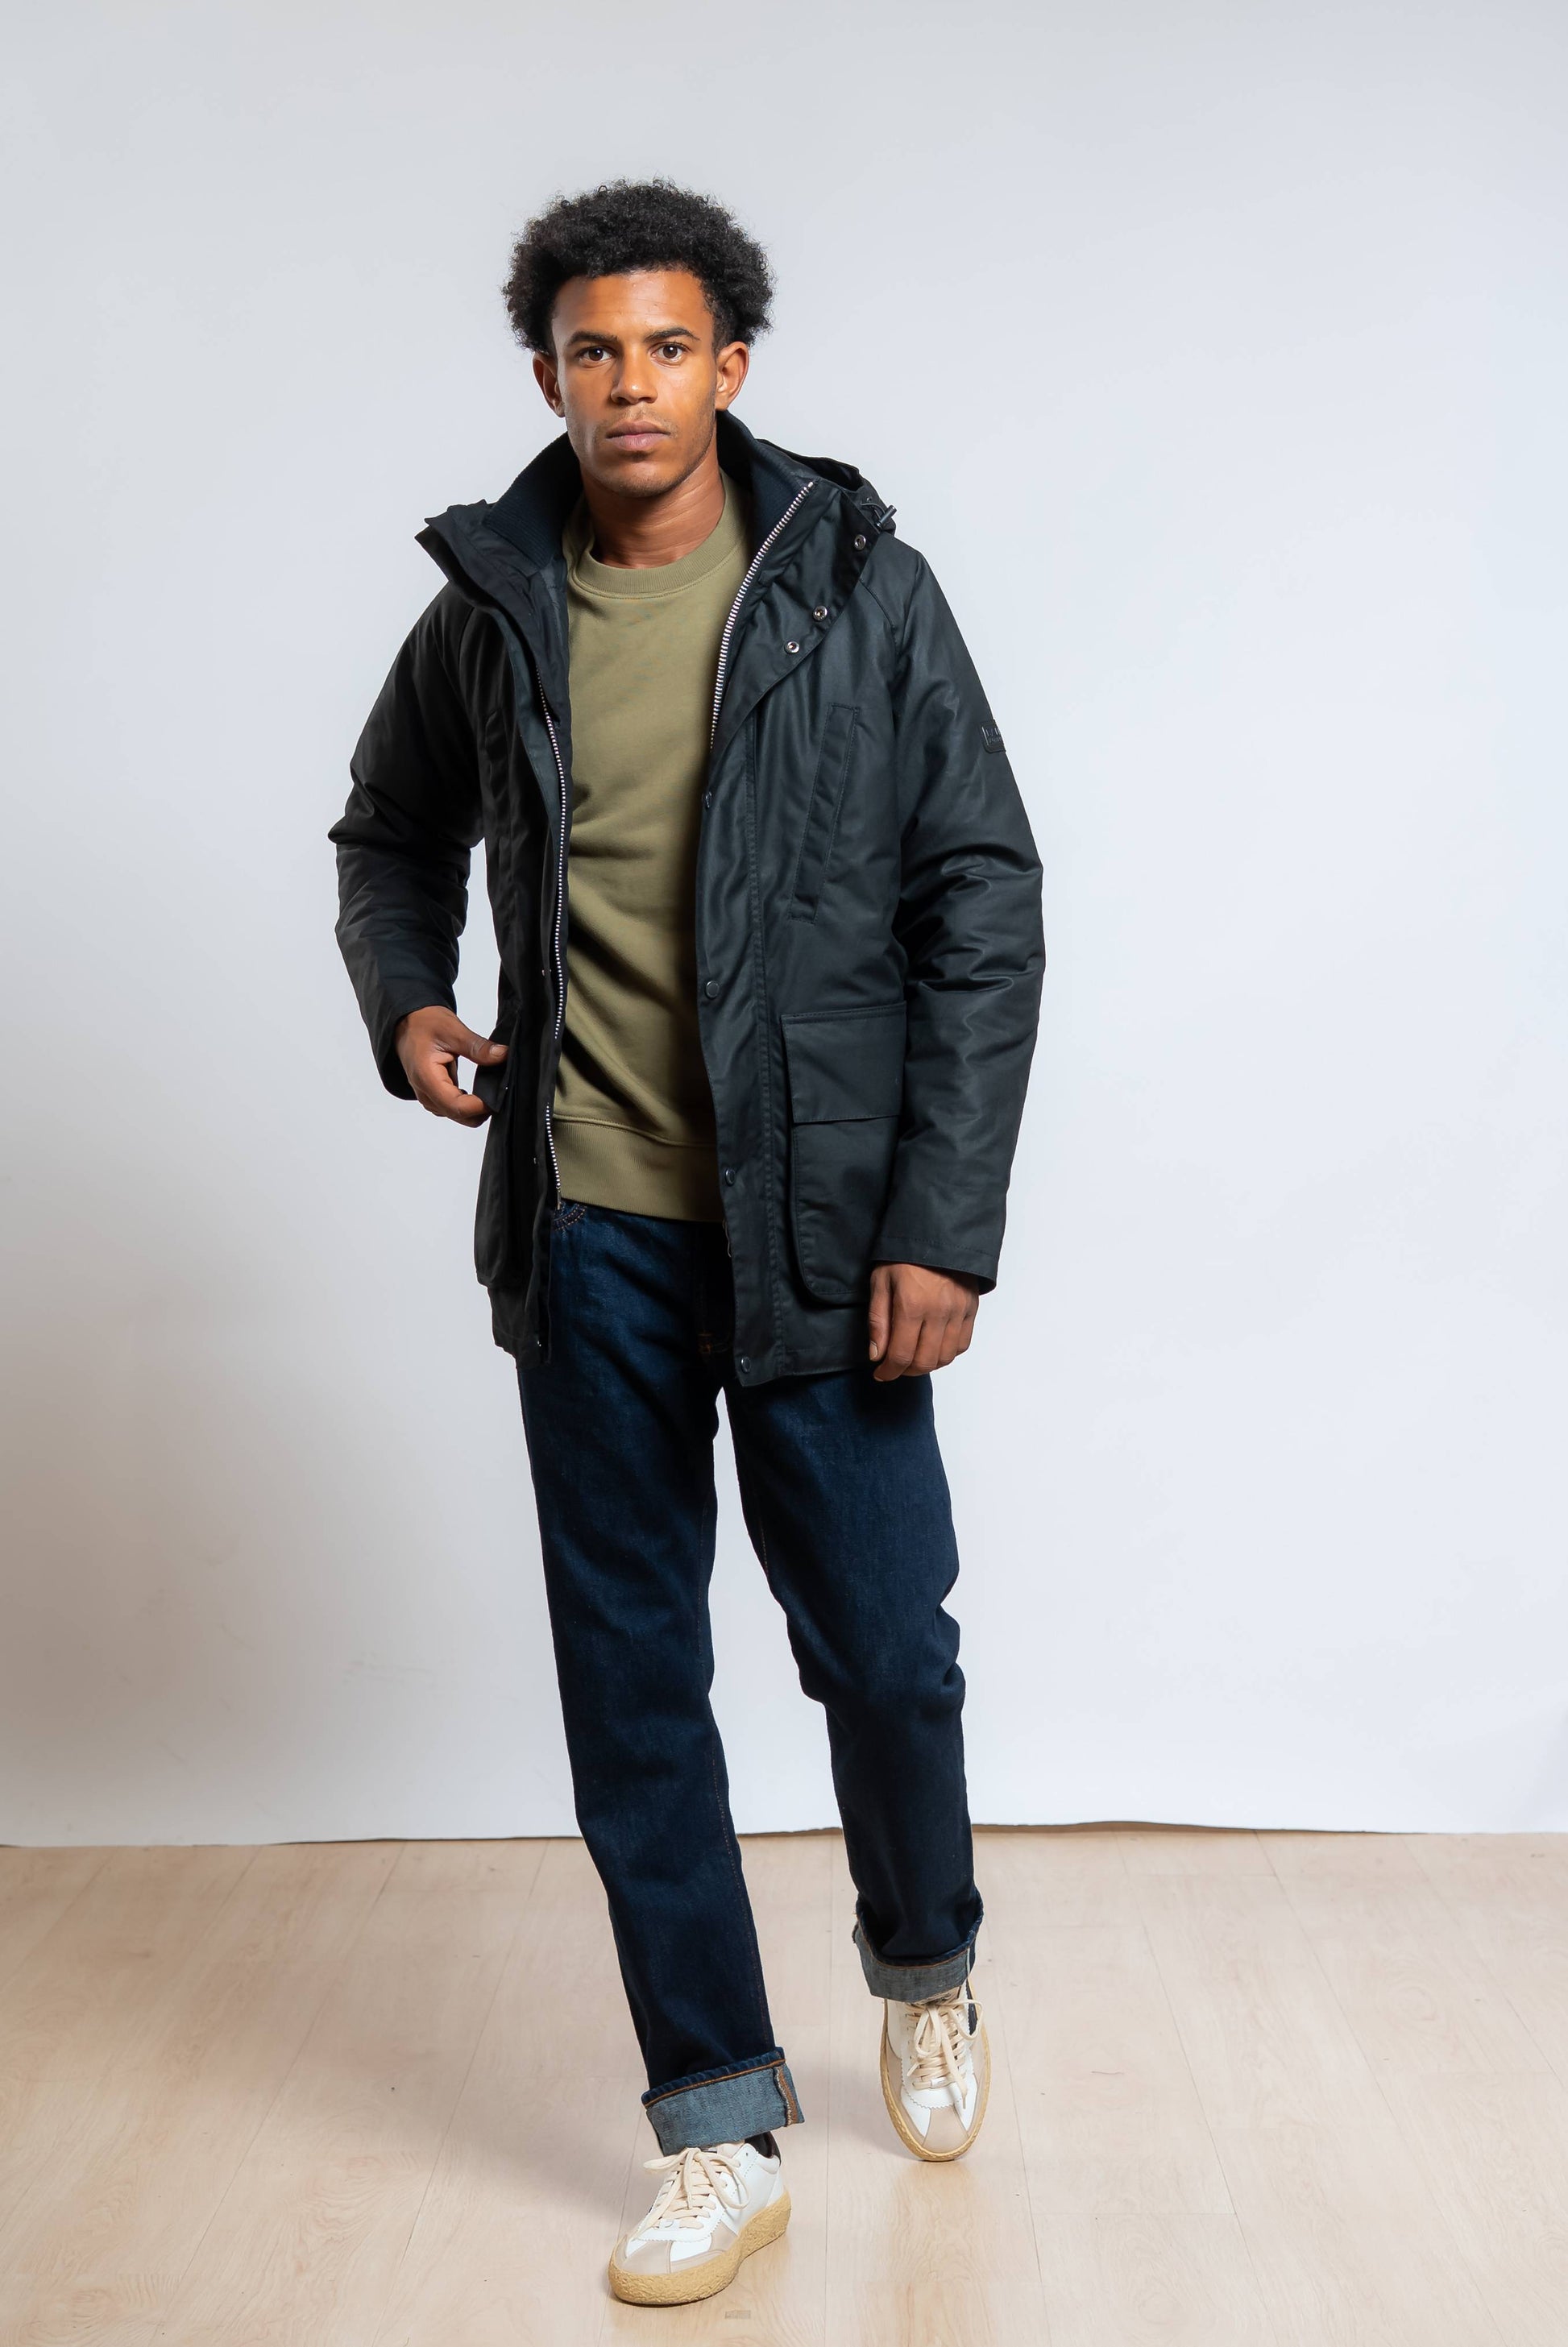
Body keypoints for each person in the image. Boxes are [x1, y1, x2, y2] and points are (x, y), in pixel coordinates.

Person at [330, 178, 1044, 2309]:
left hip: (825, 1237)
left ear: (731, 365)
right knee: (634, 1684)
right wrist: (408, 997)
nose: (627, 385)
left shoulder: (859, 590)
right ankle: (716, 2123)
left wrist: (939, 1222)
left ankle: (923, 1960)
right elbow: (387, 829)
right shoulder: (495, 605)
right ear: (547, 373)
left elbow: (981, 904)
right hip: (590, 1236)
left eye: (664, 347)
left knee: (885, 1650)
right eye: (590, 352)